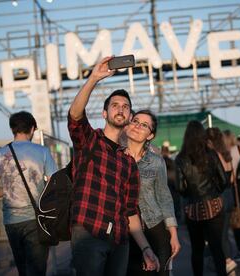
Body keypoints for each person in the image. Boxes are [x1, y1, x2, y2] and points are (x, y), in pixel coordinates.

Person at [68, 56, 159, 276]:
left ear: (129, 117)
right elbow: (75, 115)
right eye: (115, 105)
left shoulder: (128, 161)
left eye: (126, 107)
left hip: (120, 241)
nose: (120, 109)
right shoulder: (89, 141)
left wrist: (146, 248)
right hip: (89, 233)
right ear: (104, 113)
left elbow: (130, 212)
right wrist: (94, 78)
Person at [0, 111, 57, 276]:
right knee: (37, 270)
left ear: (13, 129)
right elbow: (55, 185)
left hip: (11, 222)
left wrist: (10, 189)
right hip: (37, 219)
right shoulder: (43, 152)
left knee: (23, 269)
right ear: (32, 129)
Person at [124, 110, 181, 276]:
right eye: (135, 121)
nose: (137, 126)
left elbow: (164, 197)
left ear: (150, 135)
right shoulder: (115, 157)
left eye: (144, 125)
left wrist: (174, 234)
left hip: (155, 230)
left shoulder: (156, 161)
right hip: (125, 232)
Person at [175, 121, 228, 276]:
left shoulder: (180, 158)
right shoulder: (211, 154)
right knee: (217, 248)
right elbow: (224, 180)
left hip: (193, 208)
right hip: (214, 205)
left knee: (196, 250)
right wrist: (215, 192)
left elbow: (180, 188)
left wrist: (190, 195)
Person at [206, 128, 237, 274]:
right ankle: (228, 261)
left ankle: (228, 262)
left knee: (219, 235)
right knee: (224, 232)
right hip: (230, 195)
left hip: (218, 197)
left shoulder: (213, 156)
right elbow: (231, 178)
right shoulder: (227, 155)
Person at [161, 144, 182, 222]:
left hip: (165, 183)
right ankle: (177, 216)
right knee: (175, 201)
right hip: (173, 182)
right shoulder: (171, 160)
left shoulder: (160, 160)